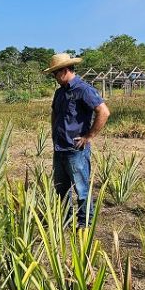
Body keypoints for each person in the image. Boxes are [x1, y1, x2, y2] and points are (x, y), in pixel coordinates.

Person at [44, 53, 110, 227]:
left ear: (65, 71)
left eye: (55, 74)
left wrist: (89, 136)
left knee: (81, 190)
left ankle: (84, 224)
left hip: (76, 150)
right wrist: (54, 134)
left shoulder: (83, 89)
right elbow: (54, 113)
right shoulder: (60, 93)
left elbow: (103, 111)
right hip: (60, 149)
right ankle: (65, 222)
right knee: (61, 189)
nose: (54, 77)